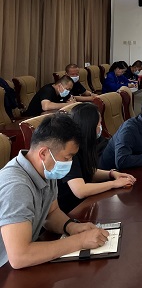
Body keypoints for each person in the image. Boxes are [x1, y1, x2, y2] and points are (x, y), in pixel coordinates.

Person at [0, 114, 109, 269]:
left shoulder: (45, 169)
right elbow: (20, 256)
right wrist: (80, 241)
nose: (69, 163)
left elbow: (51, 213)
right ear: (43, 153)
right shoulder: (16, 186)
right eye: (67, 158)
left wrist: (72, 227)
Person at [58, 104, 136, 214]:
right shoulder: (69, 151)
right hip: (70, 210)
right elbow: (80, 190)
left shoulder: (84, 145)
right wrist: (114, 184)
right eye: (99, 123)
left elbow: (87, 171)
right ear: (89, 126)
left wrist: (112, 174)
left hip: (83, 204)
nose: (101, 127)